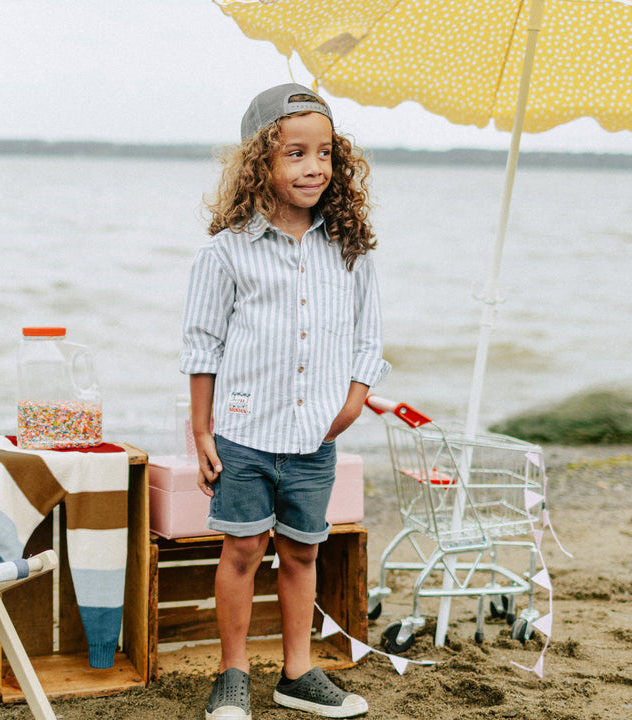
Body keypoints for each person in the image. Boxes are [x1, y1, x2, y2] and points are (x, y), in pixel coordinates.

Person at [179, 83, 390, 720]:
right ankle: (233, 673)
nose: (313, 167)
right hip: (243, 432)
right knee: (241, 550)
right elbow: (201, 344)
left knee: (303, 550)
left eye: (324, 153)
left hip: (315, 438)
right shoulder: (226, 252)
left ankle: (297, 672)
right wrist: (202, 430)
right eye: (295, 153)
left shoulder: (349, 249)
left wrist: (352, 401)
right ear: (260, 163)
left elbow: (368, 333)